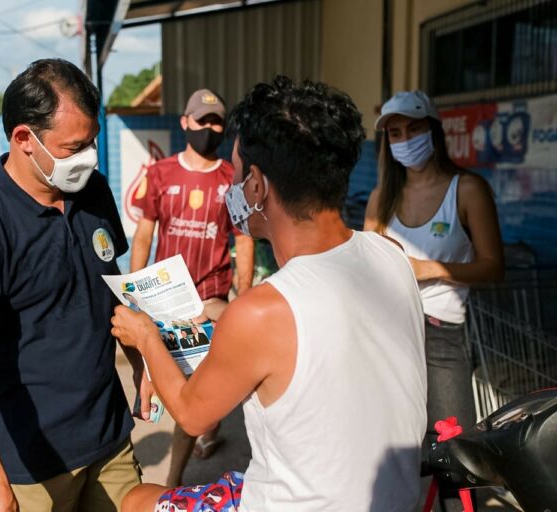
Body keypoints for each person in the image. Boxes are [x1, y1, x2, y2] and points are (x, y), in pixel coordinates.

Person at [112, 77, 428, 511]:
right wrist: (227, 313)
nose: (233, 187)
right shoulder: (391, 256)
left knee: (137, 500)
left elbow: (191, 414)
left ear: (257, 187)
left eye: (238, 174)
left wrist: (146, 335)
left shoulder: (262, 312)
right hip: (400, 500)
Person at [0, 59, 148, 512]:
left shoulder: (94, 191)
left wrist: (140, 361)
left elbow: (114, 288)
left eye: (91, 143)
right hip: (32, 468)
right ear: (23, 139)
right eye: (74, 147)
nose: (87, 158)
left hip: (110, 441)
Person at [364, 90, 504, 511]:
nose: (405, 139)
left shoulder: (467, 190)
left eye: (414, 128)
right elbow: (368, 268)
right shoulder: (380, 198)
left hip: (443, 336)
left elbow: (493, 266)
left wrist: (431, 270)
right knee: (398, 449)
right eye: (395, 133)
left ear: (435, 130)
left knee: (458, 454)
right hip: (390, 335)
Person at [130, 88, 255, 484]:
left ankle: (172, 483)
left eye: (217, 121)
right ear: (184, 122)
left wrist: (244, 295)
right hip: (168, 300)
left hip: (212, 297)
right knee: (179, 389)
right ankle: (197, 441)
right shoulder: (160, 174)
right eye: (202, 120)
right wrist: (135, 295)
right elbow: (144, 236)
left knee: (199, 389)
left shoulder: (230, 179)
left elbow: (244, 239)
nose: (210, 127)